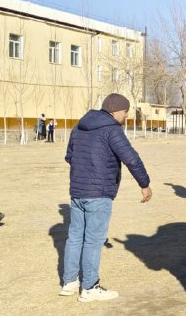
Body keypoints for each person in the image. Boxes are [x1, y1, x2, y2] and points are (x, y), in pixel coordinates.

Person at [60, 93, 152, 302]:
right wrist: (145, 184)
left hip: (77, 191)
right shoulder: (112, 129)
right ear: (116, 111)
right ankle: (90, 287)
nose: (126, 116)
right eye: (126, 112)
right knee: (93, 241)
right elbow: (131, 158)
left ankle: (69, 282)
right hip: (98, 194)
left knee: (74, 238)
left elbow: (69, 156)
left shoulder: (79, 126)